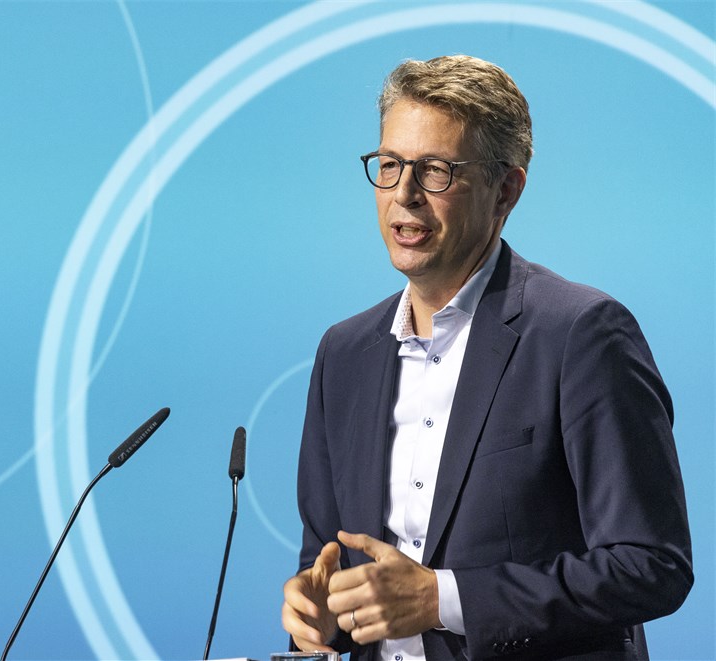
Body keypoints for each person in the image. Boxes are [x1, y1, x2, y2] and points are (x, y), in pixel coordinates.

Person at [280, 55, 692, 661]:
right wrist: (317, 614)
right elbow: (329, 561)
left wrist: (443, 599)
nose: (405, 196)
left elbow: (650, 565)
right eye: (390, 166)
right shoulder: (343, 354)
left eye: (437, 171)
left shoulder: (581, 335)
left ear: (507, 190)